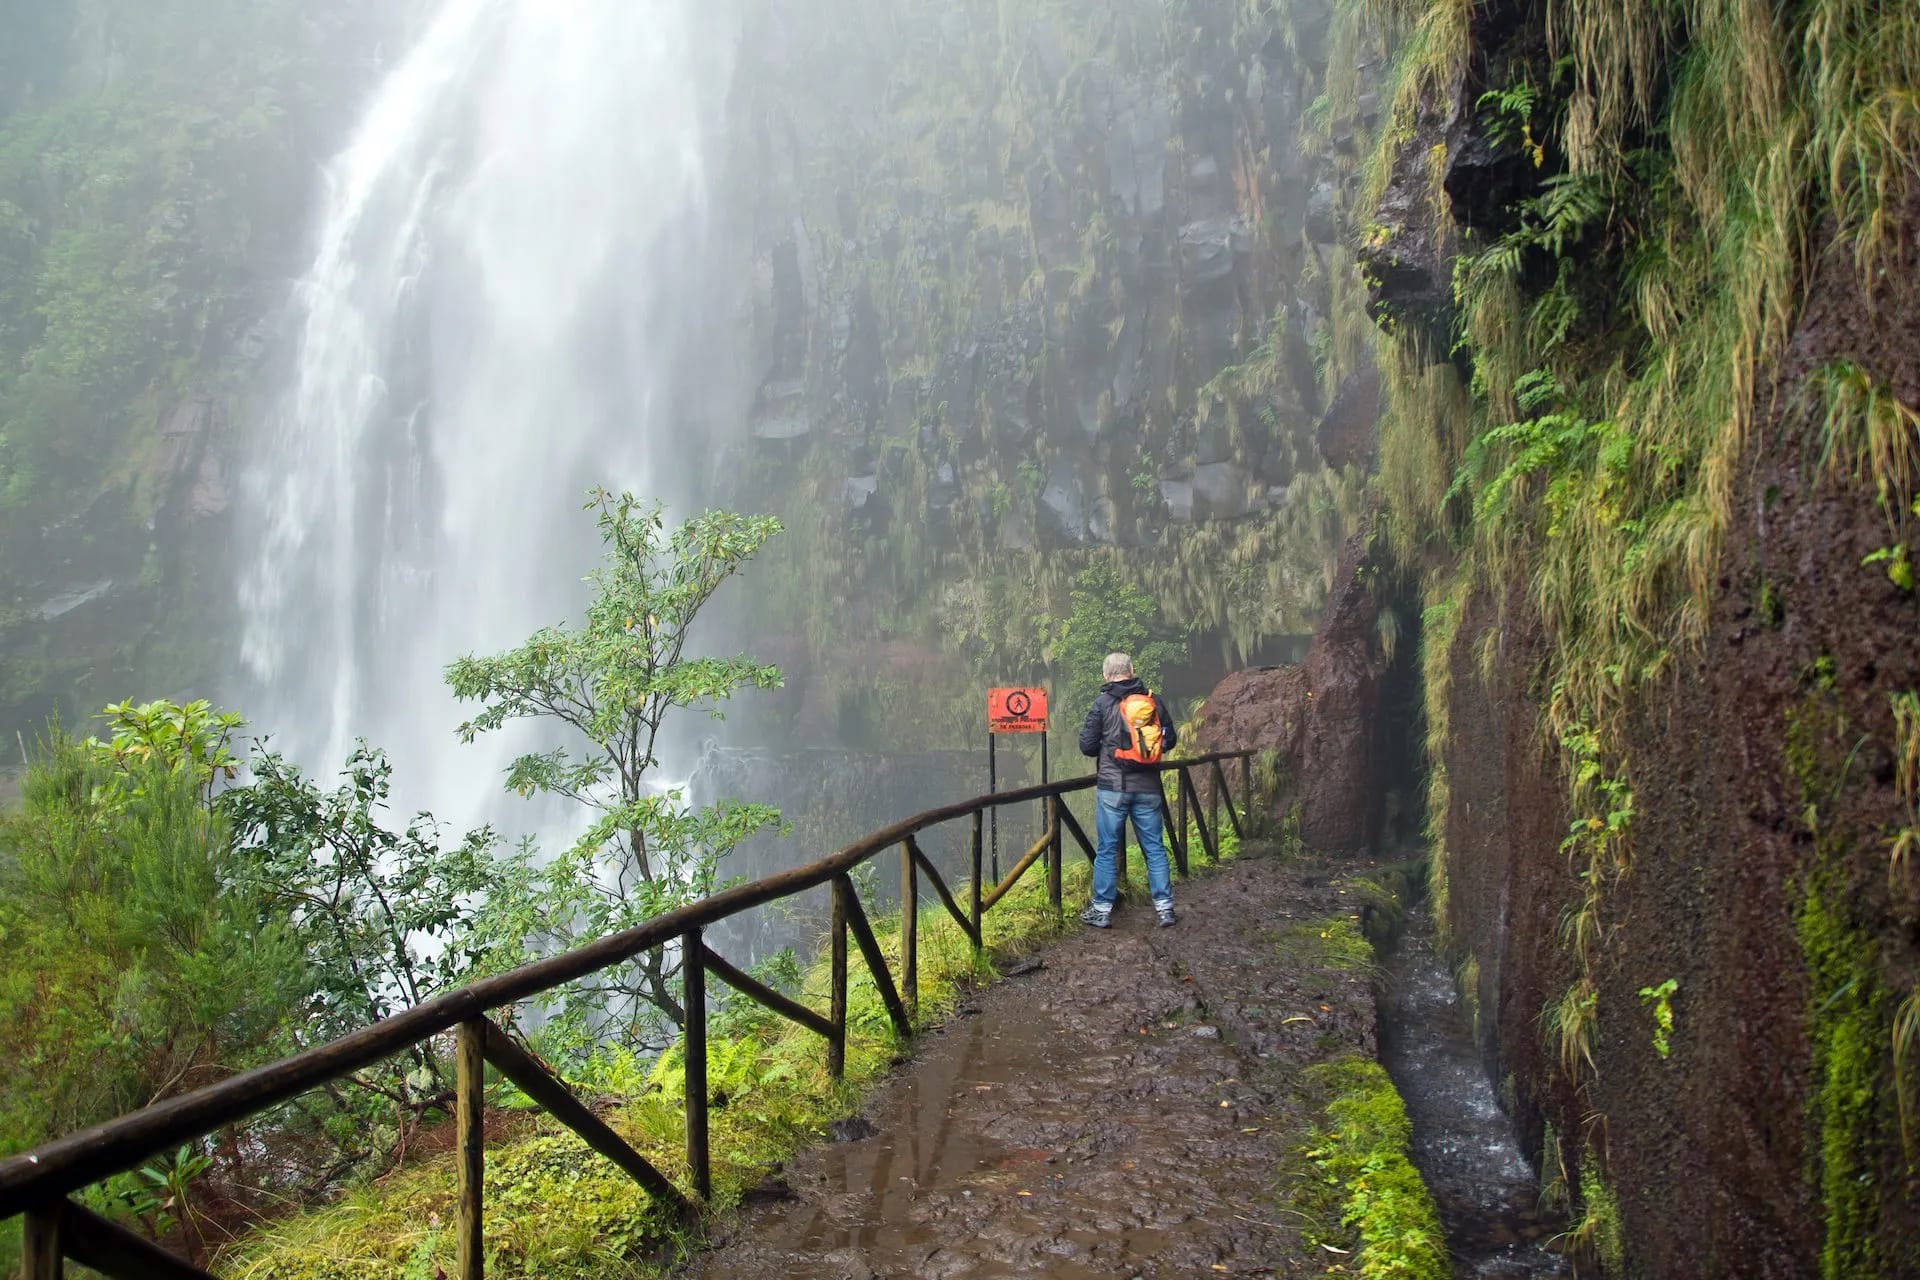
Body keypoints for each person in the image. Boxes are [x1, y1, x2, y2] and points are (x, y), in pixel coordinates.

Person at [1077, 652, 1178, 928]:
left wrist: (1111, 747)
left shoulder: (1102, 703)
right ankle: (1165, 909)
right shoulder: (1152, 700)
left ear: (1105, 676)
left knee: (1107, 849)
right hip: (1148, 787)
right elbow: (1170, 738)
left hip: (1113, 788)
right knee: (1154, 848)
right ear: (1132, 670)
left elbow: (1086, 746)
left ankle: (1101, 910)